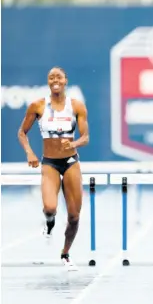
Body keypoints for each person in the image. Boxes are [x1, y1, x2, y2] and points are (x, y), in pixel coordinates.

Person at [18, 66, 89, 271]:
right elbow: (22, 133)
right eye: (51, 77)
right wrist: (30, 153)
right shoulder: (38, 106)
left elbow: (85, 137)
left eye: (58, 76)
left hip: (70, 163)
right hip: (49, 162)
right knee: (50, 207)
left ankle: (65, 253)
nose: (55, 80)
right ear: (48, 82)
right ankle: (49, 222)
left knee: (74, 216)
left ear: (65, 80)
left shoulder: (76, 106)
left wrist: (73, 144)